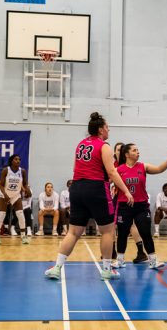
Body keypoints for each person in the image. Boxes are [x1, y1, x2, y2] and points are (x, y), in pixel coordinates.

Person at [44, 112, 134, 281]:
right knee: (108, 230)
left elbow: (75, 168)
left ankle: (57, 267)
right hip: (96, 188)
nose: (109, 130)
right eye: (107, 127)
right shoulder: (104, 146)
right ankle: (107, 270)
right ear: (100, 130)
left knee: (73, 232)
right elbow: (112, 172)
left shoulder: (80, 144)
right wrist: (126, 191)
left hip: (77, 188)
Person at [114, 143, 167, 269]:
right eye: (134, 150)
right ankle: (120, 261)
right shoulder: (118, 170)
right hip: (124, 206)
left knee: (145, 233)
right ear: (127, 154)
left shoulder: (143, 166)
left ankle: (153, 261)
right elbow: (105, 180)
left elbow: (159, 169)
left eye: (138, 150)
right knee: (122, 233)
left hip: (141, 207)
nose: (138, 152)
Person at [113, 142, 147, 263]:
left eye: (121, 149)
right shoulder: (115, 165)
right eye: (117, 149)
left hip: (127, 199)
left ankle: (140, 251)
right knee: (117, 225)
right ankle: (114, 251)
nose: (119, 151)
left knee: (128, 225)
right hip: (119, 197)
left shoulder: (130, 164)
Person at [0, 154, 30, 245]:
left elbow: (25, 184)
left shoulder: (23, 171)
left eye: (19, 159)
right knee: (2, 214)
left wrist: (27, 189)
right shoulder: (6, 170)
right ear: (11, 161)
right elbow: (1, 185)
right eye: (16, 159)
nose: (18, 161)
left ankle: (23, 236)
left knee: (20, 214)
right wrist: (5, 195)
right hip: (4, 194)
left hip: (15, 195)